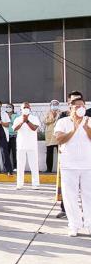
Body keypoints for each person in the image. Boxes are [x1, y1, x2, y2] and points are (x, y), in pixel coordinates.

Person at [53, 92, 91, 237]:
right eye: (77, 106)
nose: (80, 108)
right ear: (71, 108)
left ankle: (89, 224)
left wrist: (86, 128)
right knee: (70, 197)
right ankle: (74, 225)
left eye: (82, 106)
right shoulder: (63, 122)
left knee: (89, 196)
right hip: (69, 165)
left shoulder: (89, 120)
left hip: (88, 165)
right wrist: (74, 129)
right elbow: (59, 139)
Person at [13, 102, 40, 190]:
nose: (26, 109)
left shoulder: (34, 118)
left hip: (32, 146)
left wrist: (27, 121)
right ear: (21, 109)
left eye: (27, 107)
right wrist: (22, 121)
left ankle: (35, 184)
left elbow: (34, 128)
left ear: (30, 109)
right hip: (21, 145)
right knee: (20, 166)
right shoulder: (17, 119)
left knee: (34, 165)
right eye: (24, 107)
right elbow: (14, 129)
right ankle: (19, 184)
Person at [44, 100, 61, 173]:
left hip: (58, 135)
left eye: (56, 104)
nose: (54, 106)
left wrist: (57, 115)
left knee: (60, 154)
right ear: (50, 105)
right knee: (49, 153)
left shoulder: (61, 112)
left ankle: (61, 169)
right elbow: (45, 121)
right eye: (53, 104)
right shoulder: (47, 112)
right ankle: (49, 169)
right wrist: (53, 117)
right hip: (50, 135)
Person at [5, 103, 18, 170]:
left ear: (13, 109)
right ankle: (7, 167)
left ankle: (15, 167)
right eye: (7, 107)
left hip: (13, 136)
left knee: (14, 152)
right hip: (6, 136)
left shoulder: (16, 115)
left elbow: (16, 123)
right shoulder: (4, 115)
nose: (8, 108)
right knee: (6, 152)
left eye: (10, 107)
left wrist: (9, 118)